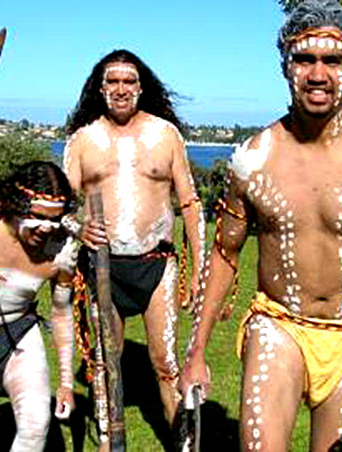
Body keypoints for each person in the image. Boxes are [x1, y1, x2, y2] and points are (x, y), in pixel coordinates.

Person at [179, 1, 342, 450]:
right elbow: (224, 254)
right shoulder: (252, 159)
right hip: (278, 325)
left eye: (332, 61)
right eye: (304, 59)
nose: (317, 74)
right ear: (285, 66)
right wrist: (196, 353)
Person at [63, 49, 206, 426]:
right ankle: (111, 439)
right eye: (113, 81)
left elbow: (190, 203)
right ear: (100, 87)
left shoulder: (165, 135)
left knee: (166, 364)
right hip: (102, 266)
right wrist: (79, 227)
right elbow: (58, 207)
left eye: (129, 81)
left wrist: (198, 273)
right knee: (107, 362)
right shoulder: (82, 140)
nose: (121, 89)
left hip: (157, 265)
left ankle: (183, 443)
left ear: (141, 88)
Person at [0, 161, 77, 451]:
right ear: (15, 205)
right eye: (37, 217)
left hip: (17, 336)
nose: (46, 228)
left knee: (36, 425)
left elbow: (61, 313)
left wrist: (67, 384)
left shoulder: (61, 250)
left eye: (55, 219)